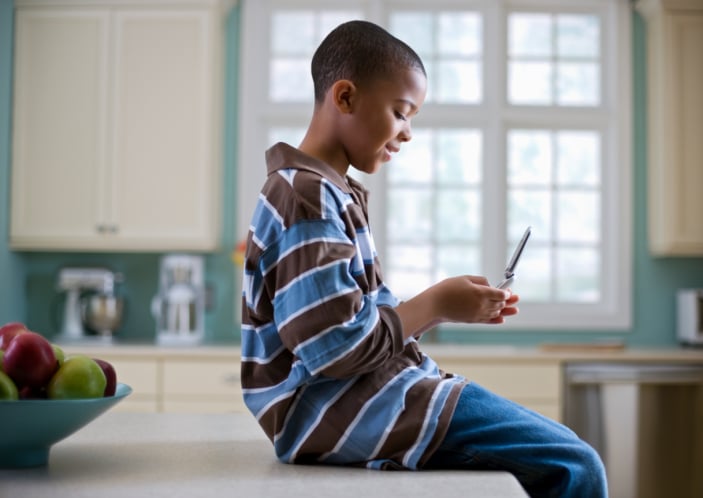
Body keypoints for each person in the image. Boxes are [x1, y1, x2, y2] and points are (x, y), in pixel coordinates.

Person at [240, 19, 608, 498]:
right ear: (345, 97)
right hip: (342, 411)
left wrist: (448, 306)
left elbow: (352, 327)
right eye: (401, 112)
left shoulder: (325, 191)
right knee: (575, 464)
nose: (408, 132)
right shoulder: (306, 197)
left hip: (362, 402)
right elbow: (334, 349)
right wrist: (436, 304)